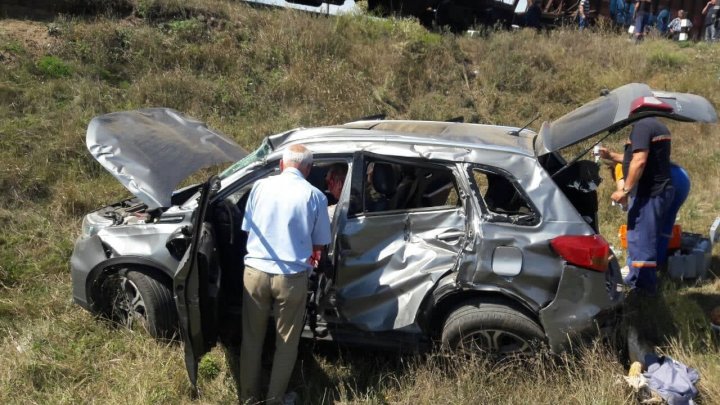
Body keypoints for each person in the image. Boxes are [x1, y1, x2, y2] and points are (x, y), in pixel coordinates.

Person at [240, 144, 331, 405]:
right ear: (309, 169)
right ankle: (275, 399)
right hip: (291, 278)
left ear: (281, 164)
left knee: (252, 339)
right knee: (286, 342)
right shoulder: (315, 196)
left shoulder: (259, 187)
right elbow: (319, 245)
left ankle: (248, 398)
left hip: (255, 272)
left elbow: (248, 227)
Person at [600, 117, 674, 295]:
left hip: (649, 193)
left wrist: (624, 190)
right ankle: (635, 278)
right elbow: (631, 158)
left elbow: (639, 161)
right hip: (656, 191)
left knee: (642, 241)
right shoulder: (653, 125)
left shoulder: (642, 127)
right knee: (639, 238)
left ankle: (644, 289)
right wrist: (611, 156)